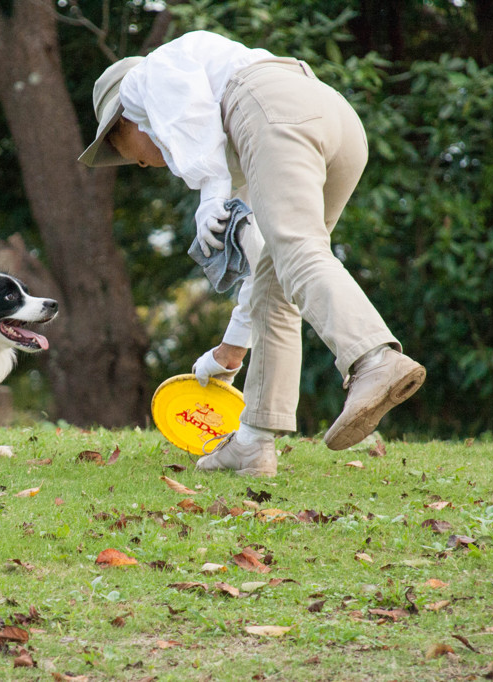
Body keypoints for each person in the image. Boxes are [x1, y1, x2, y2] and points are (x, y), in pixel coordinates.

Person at [79, 30, 425, 477]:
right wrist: (230, 351)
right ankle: (253, 442)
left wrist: (209, 192)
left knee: (299, 253)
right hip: (334, 117)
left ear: (126, 121)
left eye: (135, 157)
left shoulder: (144, 79)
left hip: (275, 107)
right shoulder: (231, 144)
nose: (147, 165)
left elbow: (186, 110)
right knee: (280, 276)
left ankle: (374, 358)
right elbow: (262, 264)